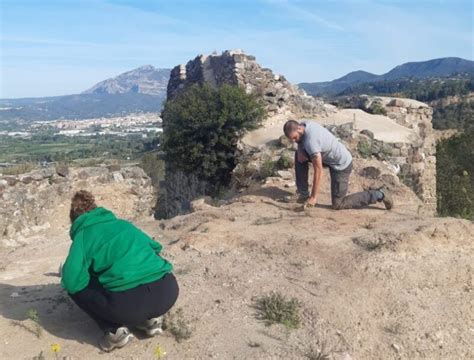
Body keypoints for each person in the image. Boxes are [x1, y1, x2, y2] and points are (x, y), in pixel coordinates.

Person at [61, 190, 179, 352]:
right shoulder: (123, 224)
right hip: (168, 292)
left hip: (129, 306)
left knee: (77, 288)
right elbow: (156, 247)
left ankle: (114, 332)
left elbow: (71, 281)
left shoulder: (83, 235)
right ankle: (152, 320)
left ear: (75, 220)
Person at [283, 119, 393, 210]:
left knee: (338, 204)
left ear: (299, 129)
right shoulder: (304, 124)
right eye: (291, 139)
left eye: (295, 138)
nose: (293, 141)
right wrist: (300, 149)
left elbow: (318, 171)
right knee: (299, 156)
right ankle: (302, 194)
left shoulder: (311, 141)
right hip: (328, 157)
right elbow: (301, 142)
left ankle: (380, 194)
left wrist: (314, 197)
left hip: (341, 165)